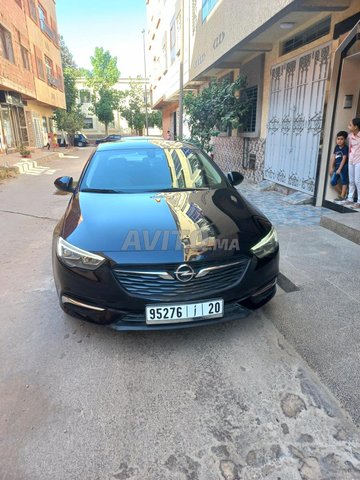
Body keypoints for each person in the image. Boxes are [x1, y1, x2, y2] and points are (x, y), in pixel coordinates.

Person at [343, 118, 360, 208]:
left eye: (350, 125)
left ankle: (359, 201)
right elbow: (350, 148)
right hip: (351, 160)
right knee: (351, 181)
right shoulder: (350, 136)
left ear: (356, 127)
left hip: (359, 161)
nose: (348, 126)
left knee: (358, 181)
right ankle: (350, 198)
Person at [329, 130, 348, 201]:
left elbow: (344, 159)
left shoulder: (345, 148)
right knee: (333, 181)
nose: (339, 141)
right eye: (338, 139)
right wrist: (331, 167)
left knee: (344, 181)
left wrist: (340, 169)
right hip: (336, 167)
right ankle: (342, 193)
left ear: (345, 140)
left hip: (343, 167)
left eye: (341, 139)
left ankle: (342, 196)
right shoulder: (336, 147)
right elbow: (333, 156)